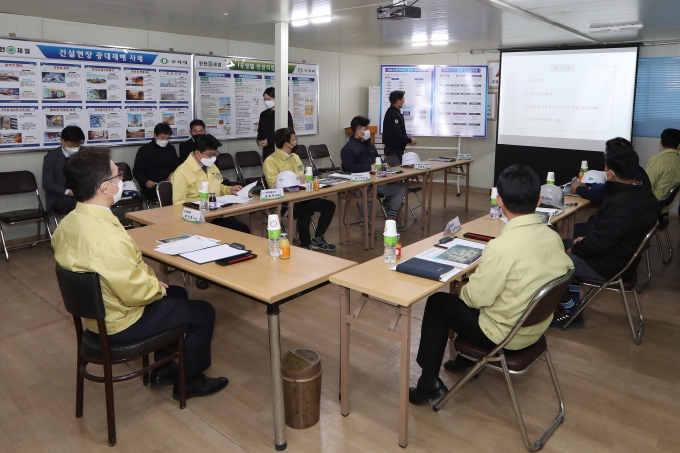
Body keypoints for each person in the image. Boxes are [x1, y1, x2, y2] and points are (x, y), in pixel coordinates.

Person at [52, 148, 228, 399]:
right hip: (122, 321)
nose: (122, 180)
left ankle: (163, 370)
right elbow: (134, 292)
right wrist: (155, 286)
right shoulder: (107, 237)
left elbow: (115, 272)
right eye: (117, 176)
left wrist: (153, 283)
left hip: (98, 314)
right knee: (204, 312)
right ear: (105, 187)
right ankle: (190, 381)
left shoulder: (69, 222)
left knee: (177, 292)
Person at [409, 165, 572, 405]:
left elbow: (474, 299)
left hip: (504, 335)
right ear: (538, 200)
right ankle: (465, 357)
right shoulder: (552, 237)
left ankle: (428, 381)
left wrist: (470, 282)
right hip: (534, 328)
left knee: (438, 303)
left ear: (499, 201)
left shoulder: (501, 247)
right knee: (482, 294)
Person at [553, 145, 660, 328]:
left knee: (551, 259)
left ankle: (571, 310)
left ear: (610, 173)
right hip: (622, 257)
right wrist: (585, 241)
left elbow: (601, 243)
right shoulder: (644, 194)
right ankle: (571, 299)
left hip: (608, 264)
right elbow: (606, 236)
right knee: (560, 244)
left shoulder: (622, 203)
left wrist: (578, 247)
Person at [264, 128, 336, 251]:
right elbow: (274, 185)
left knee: (329, 206)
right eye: (294, 139)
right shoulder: (270, 161)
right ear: (287, 143)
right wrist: (292, 180)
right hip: (285, 200)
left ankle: (318, 238)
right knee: (304, 210)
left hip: (302, 195)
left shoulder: (295, 157)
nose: (297, 141)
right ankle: (305, 243)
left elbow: (303, 177)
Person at [171, 134, 250, 234]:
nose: (213, 158)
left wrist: (229, 189)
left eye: (214, 154)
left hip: (216, 214)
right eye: (209, 155)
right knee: (235, 232)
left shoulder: (211, 166)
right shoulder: (181, 173)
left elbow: (217, 187)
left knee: (242, 229)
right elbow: (178, 205)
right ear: (197, 153)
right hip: (197, 219)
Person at [340, 115, 406, 230]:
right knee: (370, 192)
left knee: (400, 188)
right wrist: (369, 167)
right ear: (358, 132)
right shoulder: (347, 149)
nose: (368, 132)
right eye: (366, 130)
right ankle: (365, 221)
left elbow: (377, 159)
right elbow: (349, 167)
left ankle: (390, 220)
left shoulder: (369, 144)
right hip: (360, 183)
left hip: (378, 180)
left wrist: (384, 164)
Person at [570, 138, 650, 206]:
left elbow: (599, 194)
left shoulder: (621, 179)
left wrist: (578, 189)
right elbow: (605, 189)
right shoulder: (639, 171)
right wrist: (587, 184)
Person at [42, 125, 84, 215]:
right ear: (62, 141)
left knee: (100, 202)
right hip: (61, 196)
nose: (75, 148)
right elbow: (47, 184)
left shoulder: (85, 154)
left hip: (82, 194)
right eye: (72, 145)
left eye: (78, 145)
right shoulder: (51, 158)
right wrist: (68, 192)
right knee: (82, 206)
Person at [133, 122, 179, 202]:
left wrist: (173, 172)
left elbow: (177, 165)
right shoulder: (144, 150)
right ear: (155, 135)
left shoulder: (171, 149)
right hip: (153, 186)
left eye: (167, 138)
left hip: (170, 183)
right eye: (162, 137)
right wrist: (145, 181)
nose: (165, 140)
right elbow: (137, 171)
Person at [646, 128, 680, 214]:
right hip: (663, 207)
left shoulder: (658, 160)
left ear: (660, 143)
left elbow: (646, 185)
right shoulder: (678, 161)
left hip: (651, 208)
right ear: (679, 146)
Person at [256, 87, 294, 160]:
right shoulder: (263, 114)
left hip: (281, 149)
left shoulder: (285, 113)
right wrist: (259, 140)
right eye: (265, 99)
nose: (267, 101)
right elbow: (260, 131)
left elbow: (287, 132)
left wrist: (269, 141)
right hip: (267, 150)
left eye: (269, 99)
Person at [382, 90, 416, 163]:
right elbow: (396, 134)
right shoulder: (393, 114)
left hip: (396, 149)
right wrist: (409, 140)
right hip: (393, 150)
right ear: (398, 101)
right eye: (403, 99)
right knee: (395, 172)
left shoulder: (395, 112)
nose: (404, 101)